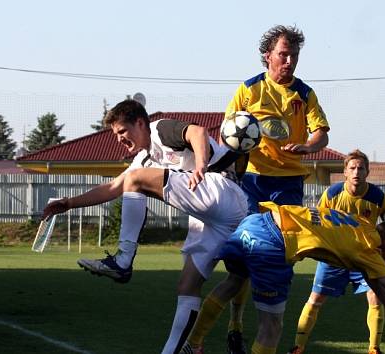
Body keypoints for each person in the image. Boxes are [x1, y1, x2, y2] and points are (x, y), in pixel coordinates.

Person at [41, 99, 249, 354]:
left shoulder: (159, 129)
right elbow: (114, 187)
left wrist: (202, 166)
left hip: (221, 189)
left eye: (122, 132)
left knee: (135, 179)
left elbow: (198, 132)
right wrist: (69, 203)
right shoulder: (144, 158)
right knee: (187, 286)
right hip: (213, 218)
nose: (119, 139)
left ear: (140, 123)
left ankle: (123, 260)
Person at [190, 24, 330, 354]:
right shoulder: (250, 90)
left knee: (276, 262)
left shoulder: (304, 94)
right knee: (243, 264)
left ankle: (235, 330)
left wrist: (310, 147)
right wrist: (237, 141)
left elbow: (321, 132)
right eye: (284, 54)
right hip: (253, 183)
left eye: (294, 55)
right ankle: (234, 325)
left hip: (290, 188)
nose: (290, 61)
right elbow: (227, 133)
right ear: (268, 56)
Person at [187, 202, 385, 354]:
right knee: (272, 326)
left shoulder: (361, 227)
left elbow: (374, 278)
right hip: (273, 242)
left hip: (255, 222)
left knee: (232, 284)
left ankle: (194, 343)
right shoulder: (369, 247)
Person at [289, 150, 385, 354]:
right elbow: (318, 220)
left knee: (375, 297)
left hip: (363, 258)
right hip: (334, 257)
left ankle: (374, 349)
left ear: (368, 172)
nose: (356, 172)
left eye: (361, 168)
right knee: (315, 298)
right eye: (352, 168)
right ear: (345, 172)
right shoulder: (332, 194)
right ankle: (298, 347)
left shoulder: (378, 197)